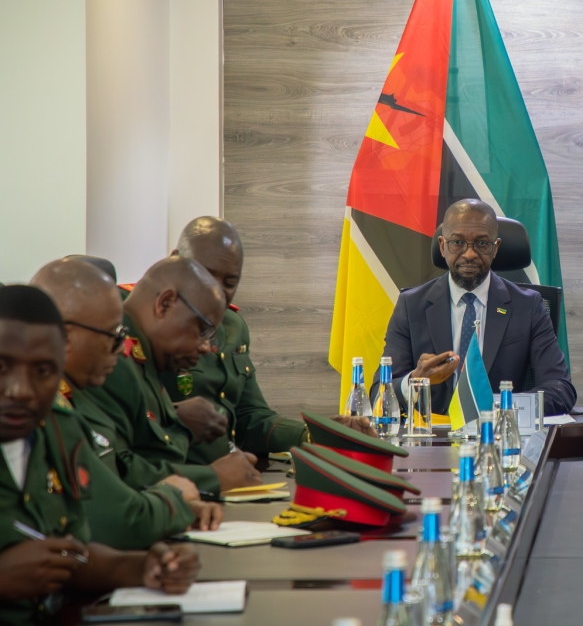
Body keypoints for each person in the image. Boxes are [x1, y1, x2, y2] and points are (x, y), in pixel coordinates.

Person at [0, 285, 200, 626]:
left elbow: (74, 556)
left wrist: (142, 567)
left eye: (43, 370)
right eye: (2, 366)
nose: (21, 390)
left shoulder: (60, 430)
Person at [30, 259, 222, 548]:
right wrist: (174, 498)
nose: (122, 350)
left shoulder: (68, 400)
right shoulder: (45, 409)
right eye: (114, 335)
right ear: (66, 335)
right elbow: (120, 520)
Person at [163, 216, 373, 466]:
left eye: (229, 282)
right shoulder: (143, 326)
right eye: (206, 275)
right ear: (175, 261)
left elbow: (250, 418)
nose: (217, 292)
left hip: (233, 480)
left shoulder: (232, 326)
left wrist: (316, 435)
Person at [380, 200, 576, 415]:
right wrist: (414, 382)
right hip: (434, 438)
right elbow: (379, 394)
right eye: (457, 242)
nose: (470, 254)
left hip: (499, 436)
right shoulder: (411, 306)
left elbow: (560, 390)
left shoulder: (528, 306)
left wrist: (494, 409)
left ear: (496, 248)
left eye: (482, 244)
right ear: (443, 246)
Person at [98, 256, 261, 493]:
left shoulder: (148, 358)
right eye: (202, 330)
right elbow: (116, 471)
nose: (207, 347)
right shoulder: (112, 360)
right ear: (165, 303)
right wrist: (214, 477)